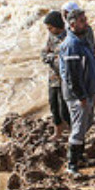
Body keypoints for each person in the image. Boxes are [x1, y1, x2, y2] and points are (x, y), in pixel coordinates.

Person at [59, 7, 95, 177]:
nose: (86, 23)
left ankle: (81, 158)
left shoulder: (80, 40)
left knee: (84, 126)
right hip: (78, 95)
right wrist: (81, 96)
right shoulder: (71, 45)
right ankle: (72, 165)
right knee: (78, 128)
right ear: (72, 24)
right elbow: (71, 76)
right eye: (82, 21)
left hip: (87, 91)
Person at [41, 11, 70, 142]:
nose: (49, 30)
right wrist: (51, 57)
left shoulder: (69, 37)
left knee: (65, 108)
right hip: (53, 77)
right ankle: (57, 132)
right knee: (53, 105)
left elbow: (66, 58)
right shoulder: (51, 37)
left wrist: (52, 57)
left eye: (51, 27)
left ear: (58, 25)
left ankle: (72, 133)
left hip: (66, 79)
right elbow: (44, 52)